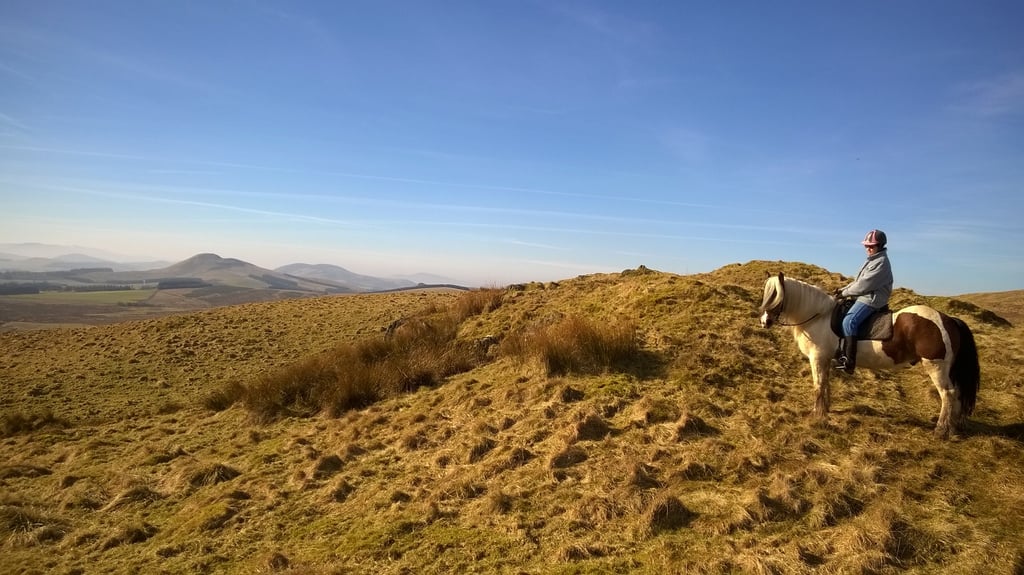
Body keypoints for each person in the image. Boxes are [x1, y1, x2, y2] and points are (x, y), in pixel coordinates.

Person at [833, 229, 893, 373]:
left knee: (849, 321)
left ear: (880, 245)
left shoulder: (881, 262)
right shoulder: (872, 260)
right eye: (866, 245)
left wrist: (845, 293)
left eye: (871, 246)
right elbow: (857, 281)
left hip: (872, 299)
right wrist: (842, 290)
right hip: (863, 295)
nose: (868, 248)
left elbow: (864, 285)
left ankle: (849, 361)